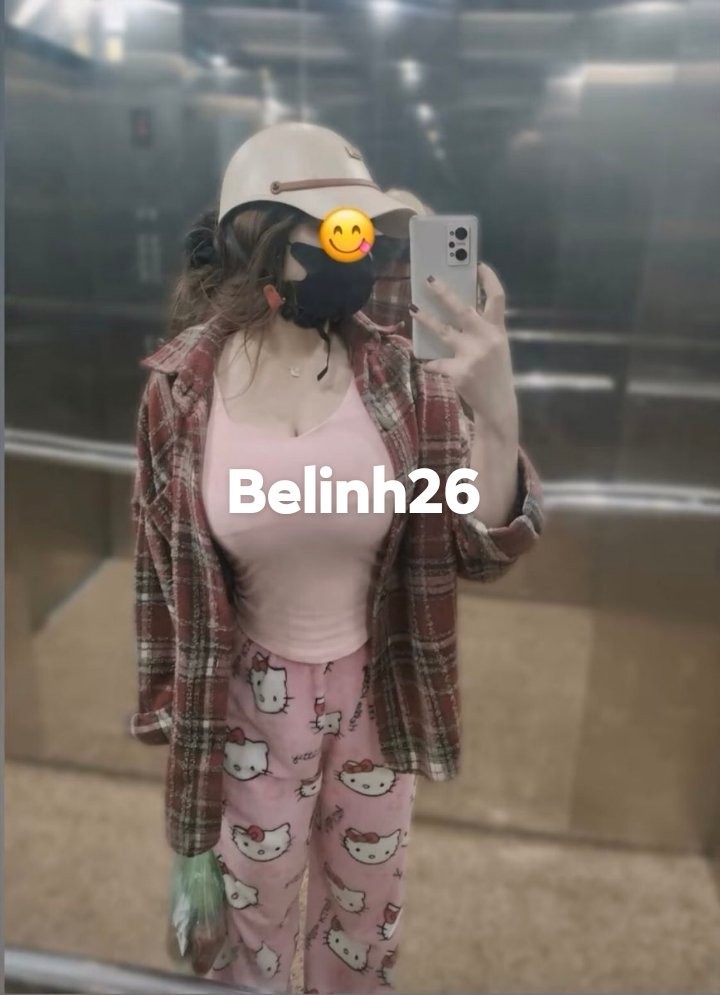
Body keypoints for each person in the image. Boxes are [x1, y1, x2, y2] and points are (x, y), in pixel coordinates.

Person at [130, 121, 544, 995]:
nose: (358, 257)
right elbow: (159, 575)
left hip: (374, 694)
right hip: (247, 705)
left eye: (364, 234)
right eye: (340, 234)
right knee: (252, 939)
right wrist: (177, 736)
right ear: (259, 243)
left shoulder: (403, 377)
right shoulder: (180, 393)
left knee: (363, 930)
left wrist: (497, 409)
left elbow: (477, 545)